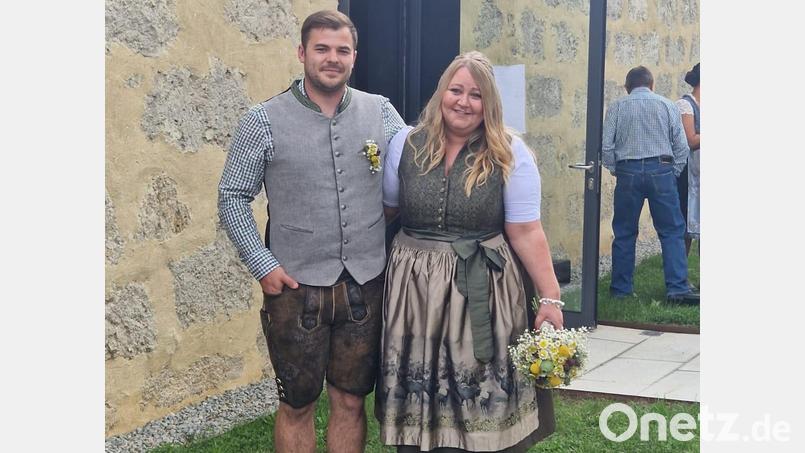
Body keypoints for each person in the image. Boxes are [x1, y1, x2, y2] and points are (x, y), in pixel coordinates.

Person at [218, 10, 405, 453]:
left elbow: (417, 165)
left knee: (350, 398)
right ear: (303, 53)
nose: (332, 58)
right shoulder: (261, 120)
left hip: (365, 282)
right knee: (297, 403)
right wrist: (263, 265)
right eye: (322, 48)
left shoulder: (381, 111)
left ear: (354, 57)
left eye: (342, 50)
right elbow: (231, 196)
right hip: (294, 286)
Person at [376, 51, 563, 452]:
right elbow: (387, 211)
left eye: (475, 95)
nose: (463, 102)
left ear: (490, 103)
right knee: (416, 384)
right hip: (413, 289)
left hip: (482, 286)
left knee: (478, 385)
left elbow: (527, 231)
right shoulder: (404, 144)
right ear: (441, 93)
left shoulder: (509, 152)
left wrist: (550, 298)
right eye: (455, 90)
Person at [601, 66, 699, 304]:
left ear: (627, 87)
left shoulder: (616, 107)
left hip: (628, 171)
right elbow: (682, 146)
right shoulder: (667, 105)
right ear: (652, 84)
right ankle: (677, 289)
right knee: (672, 231)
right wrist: (672, 172)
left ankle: (621, 291)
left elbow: (606, 147)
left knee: (624, 232)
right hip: (662, 170)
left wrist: (618, 170)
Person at [676, 63, 700, 254]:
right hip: (687, 174)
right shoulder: (685, 105)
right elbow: (690, 139)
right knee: (684, 225)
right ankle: (680, 279)